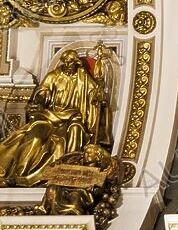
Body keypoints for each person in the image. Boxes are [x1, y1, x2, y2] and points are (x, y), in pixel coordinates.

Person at [0, 49, 112, 186]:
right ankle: (19, 175)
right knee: (35, 138)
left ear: (76, 63)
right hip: (49, 117)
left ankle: (69, 169)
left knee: (68, 135)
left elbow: (94, 93)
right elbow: (43, 91)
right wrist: (40, 100)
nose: (68, 65)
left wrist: (98, 95)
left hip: (72, 118)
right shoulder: (54, 76)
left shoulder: (82, 78)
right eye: (66, 62)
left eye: (71, 62)